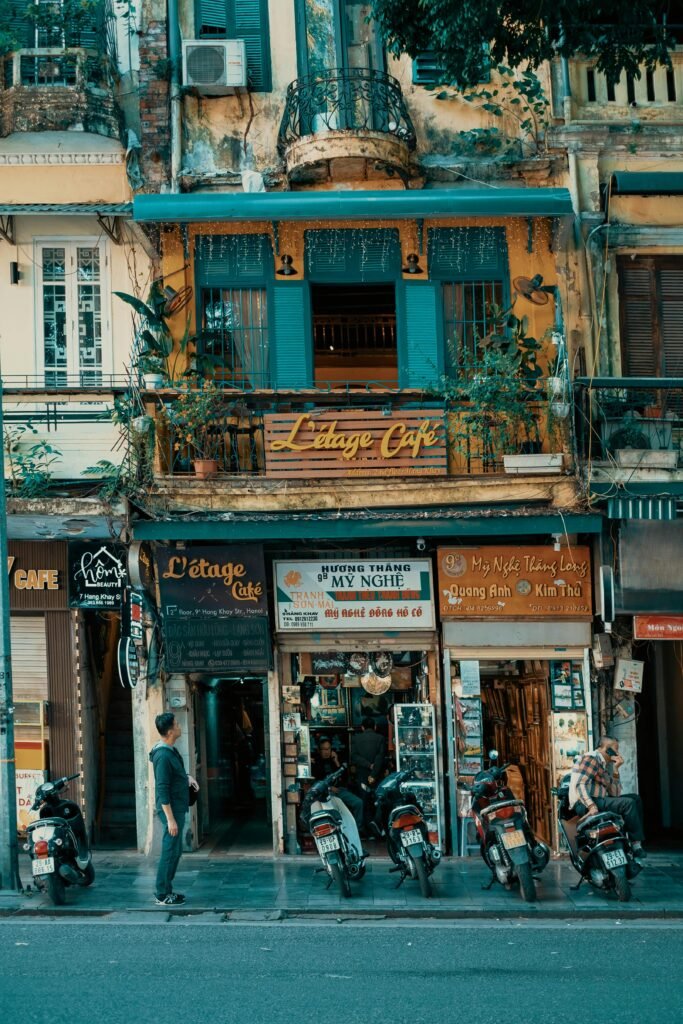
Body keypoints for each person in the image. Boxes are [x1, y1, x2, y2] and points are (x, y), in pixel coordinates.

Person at [149, 712, 199, 906]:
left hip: (177, 807)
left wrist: (187, 777)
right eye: (177, 724)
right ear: (170, 731)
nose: (179, 726)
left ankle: (167, 889)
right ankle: (162, 894)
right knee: (170, 851)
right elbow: (162, 788)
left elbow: (174, 776)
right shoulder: (162, 755)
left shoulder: (171, 751)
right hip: (170, 810)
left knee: (175, 851)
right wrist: (170, 819)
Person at [569, 735, 646, 857]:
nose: (618, 752)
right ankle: (635, 843)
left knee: (634, 799)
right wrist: (591, 806)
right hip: (585, 804)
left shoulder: (602, 765)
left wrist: (616, 769)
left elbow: (615, 794)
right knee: (628, 803)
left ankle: (632, 842)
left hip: (599, 800)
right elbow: (580, 784)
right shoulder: (591, 759)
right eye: (616, 749)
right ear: (607, 749)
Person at [311, 737, 364, 831]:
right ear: (319, 750)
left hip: (339, 791)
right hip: (325, 793)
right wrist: (329, 788)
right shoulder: (316, 762)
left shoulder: (334, 761)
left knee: (358, 803)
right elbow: (316, 781)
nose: (326, 752)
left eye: (328, 749)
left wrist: (336, 761)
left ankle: (356, 830)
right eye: (324, 749)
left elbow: (343, 777)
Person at [350, 717, 386, 789]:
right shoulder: (381, 738)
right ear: (375, 727)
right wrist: (373, 774)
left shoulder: (355, 738)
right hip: (377, 774)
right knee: (378, 796)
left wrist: (368, 765)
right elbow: (380, 757)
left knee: (363, 798)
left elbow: (354, 756)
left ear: (362, 727)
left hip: (362, 774)